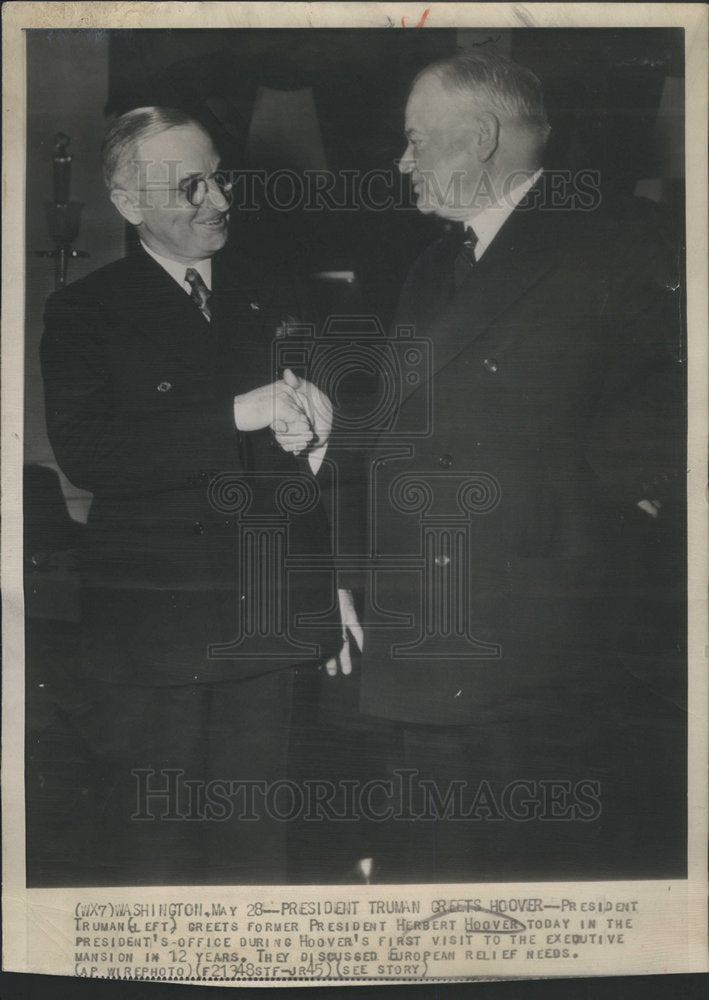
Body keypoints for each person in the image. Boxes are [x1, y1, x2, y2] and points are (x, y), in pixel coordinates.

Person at [351, 51, 686, 881]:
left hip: (551, 645)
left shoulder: (621, 235)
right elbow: (408, 428)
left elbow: (668, 413)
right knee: (434, 877)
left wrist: (577, 531)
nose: (402, 164)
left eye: (416, 142)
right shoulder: (431, 269)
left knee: (543, 881)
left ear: (480, 139)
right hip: (426, 630)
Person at [40, 106, 353, 884]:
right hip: (157, 633)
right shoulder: (85, 311)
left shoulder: (274, 290)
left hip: (270, 617)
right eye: (190, 186)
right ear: (127, 202)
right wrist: (233, 415)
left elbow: (309, 465)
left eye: (221, 176)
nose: (219, 199)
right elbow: (90, 454)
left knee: (259, 850)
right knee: (158, 853)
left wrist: (334, 563)